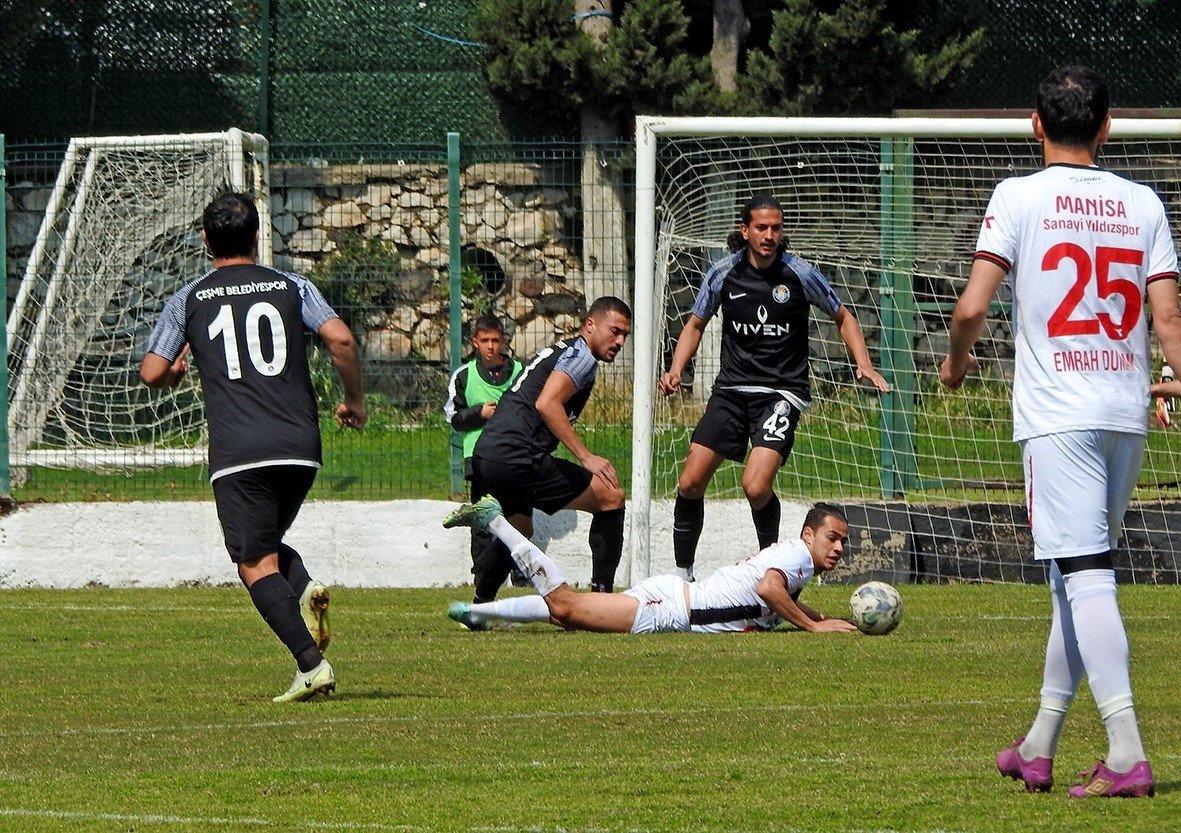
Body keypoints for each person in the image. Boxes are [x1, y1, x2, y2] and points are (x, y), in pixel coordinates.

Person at [940, 65, 1181, 798]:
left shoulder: (1016, 194)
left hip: (1058, 415)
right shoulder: (1142, 202)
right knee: (1070, 579)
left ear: (1033, 124)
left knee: (1086, 578)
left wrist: (955, 363)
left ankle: (1125, 750)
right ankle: (1038, 743)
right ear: (1107, 128)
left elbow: (970, 306)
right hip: (1122, 411)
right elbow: (1166, 317)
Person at [140, 191, 366, 703]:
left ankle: (311, 666)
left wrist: (175, 371)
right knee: (262, 547)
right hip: (299, 446)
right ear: (257, 236)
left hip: (240, 451)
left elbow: (152, 370)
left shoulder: (190, 297)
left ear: (204, 240)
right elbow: (342, 340)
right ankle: (304, 587)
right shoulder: (293, 285)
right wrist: (354, 400)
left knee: (251, 562)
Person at [658, 195, 889, 582]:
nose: (769, 235)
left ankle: (769, 569)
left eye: (776, 228)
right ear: (744, 231)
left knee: (755, 484)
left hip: (781, 393)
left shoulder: (799, 273)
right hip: (732, 390)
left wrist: (862, 363)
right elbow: (696, 324)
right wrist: (676, 369)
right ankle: (684, 578)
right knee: (690, 481)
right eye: (761, 228)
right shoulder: (723, 274)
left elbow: (843, 316)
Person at [443, 495, 859, 635]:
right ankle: (495, 520)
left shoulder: (794, 556)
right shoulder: (799, 557)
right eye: (832, 537)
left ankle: (478, 614)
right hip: (671, 610)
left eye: (843, 540)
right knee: (567, 606)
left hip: (673, 600)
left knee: (574, 617)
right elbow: (770, 590)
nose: (838, 547)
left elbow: (776, 595)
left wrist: (822, 616)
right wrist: (814, 627)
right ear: (808, 535)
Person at [469, 296, 632, 604]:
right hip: (517, 455)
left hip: (488, 452)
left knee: (519, 529)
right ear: (590, 325)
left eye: (625, 335)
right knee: (610, 497)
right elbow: (547, 403)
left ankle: (479, 607)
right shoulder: (581, 356)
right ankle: (602, 601)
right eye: (614, 331)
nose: (620, 340)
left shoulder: (564, 350)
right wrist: (586, 457)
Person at [443, 313, 524, 598]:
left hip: (515, 456)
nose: (491, 346)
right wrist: (481, 413)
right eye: (485, 340)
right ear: (474, 342)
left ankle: (520, 570)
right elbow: (453, 417)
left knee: (516, 514)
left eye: (496, 340)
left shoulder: (518, 372)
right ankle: (482, 573)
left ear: (503, 341)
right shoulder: (464, 376)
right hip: (478, 459)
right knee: (483, 520)